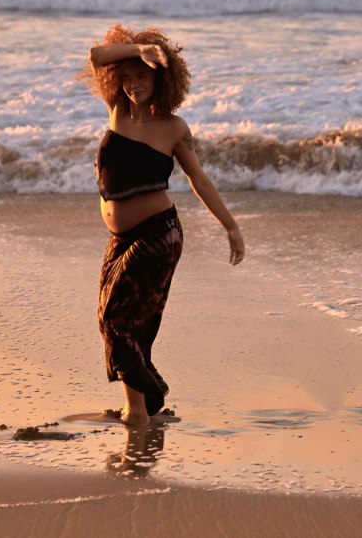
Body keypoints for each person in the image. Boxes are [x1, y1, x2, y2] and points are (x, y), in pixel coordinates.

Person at [82, 24, 245, 427]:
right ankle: (141, 402)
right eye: (130, 77)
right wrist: (140, 49)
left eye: (145, 77)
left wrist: (230, 227)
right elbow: (95, 56)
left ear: (162, 80)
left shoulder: (174, 128)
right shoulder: (117, 109)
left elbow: (199, 180)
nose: (136, 85)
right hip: (119, 238)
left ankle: (141, 406)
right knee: (120, 319)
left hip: (159, 234)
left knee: (117, 319)